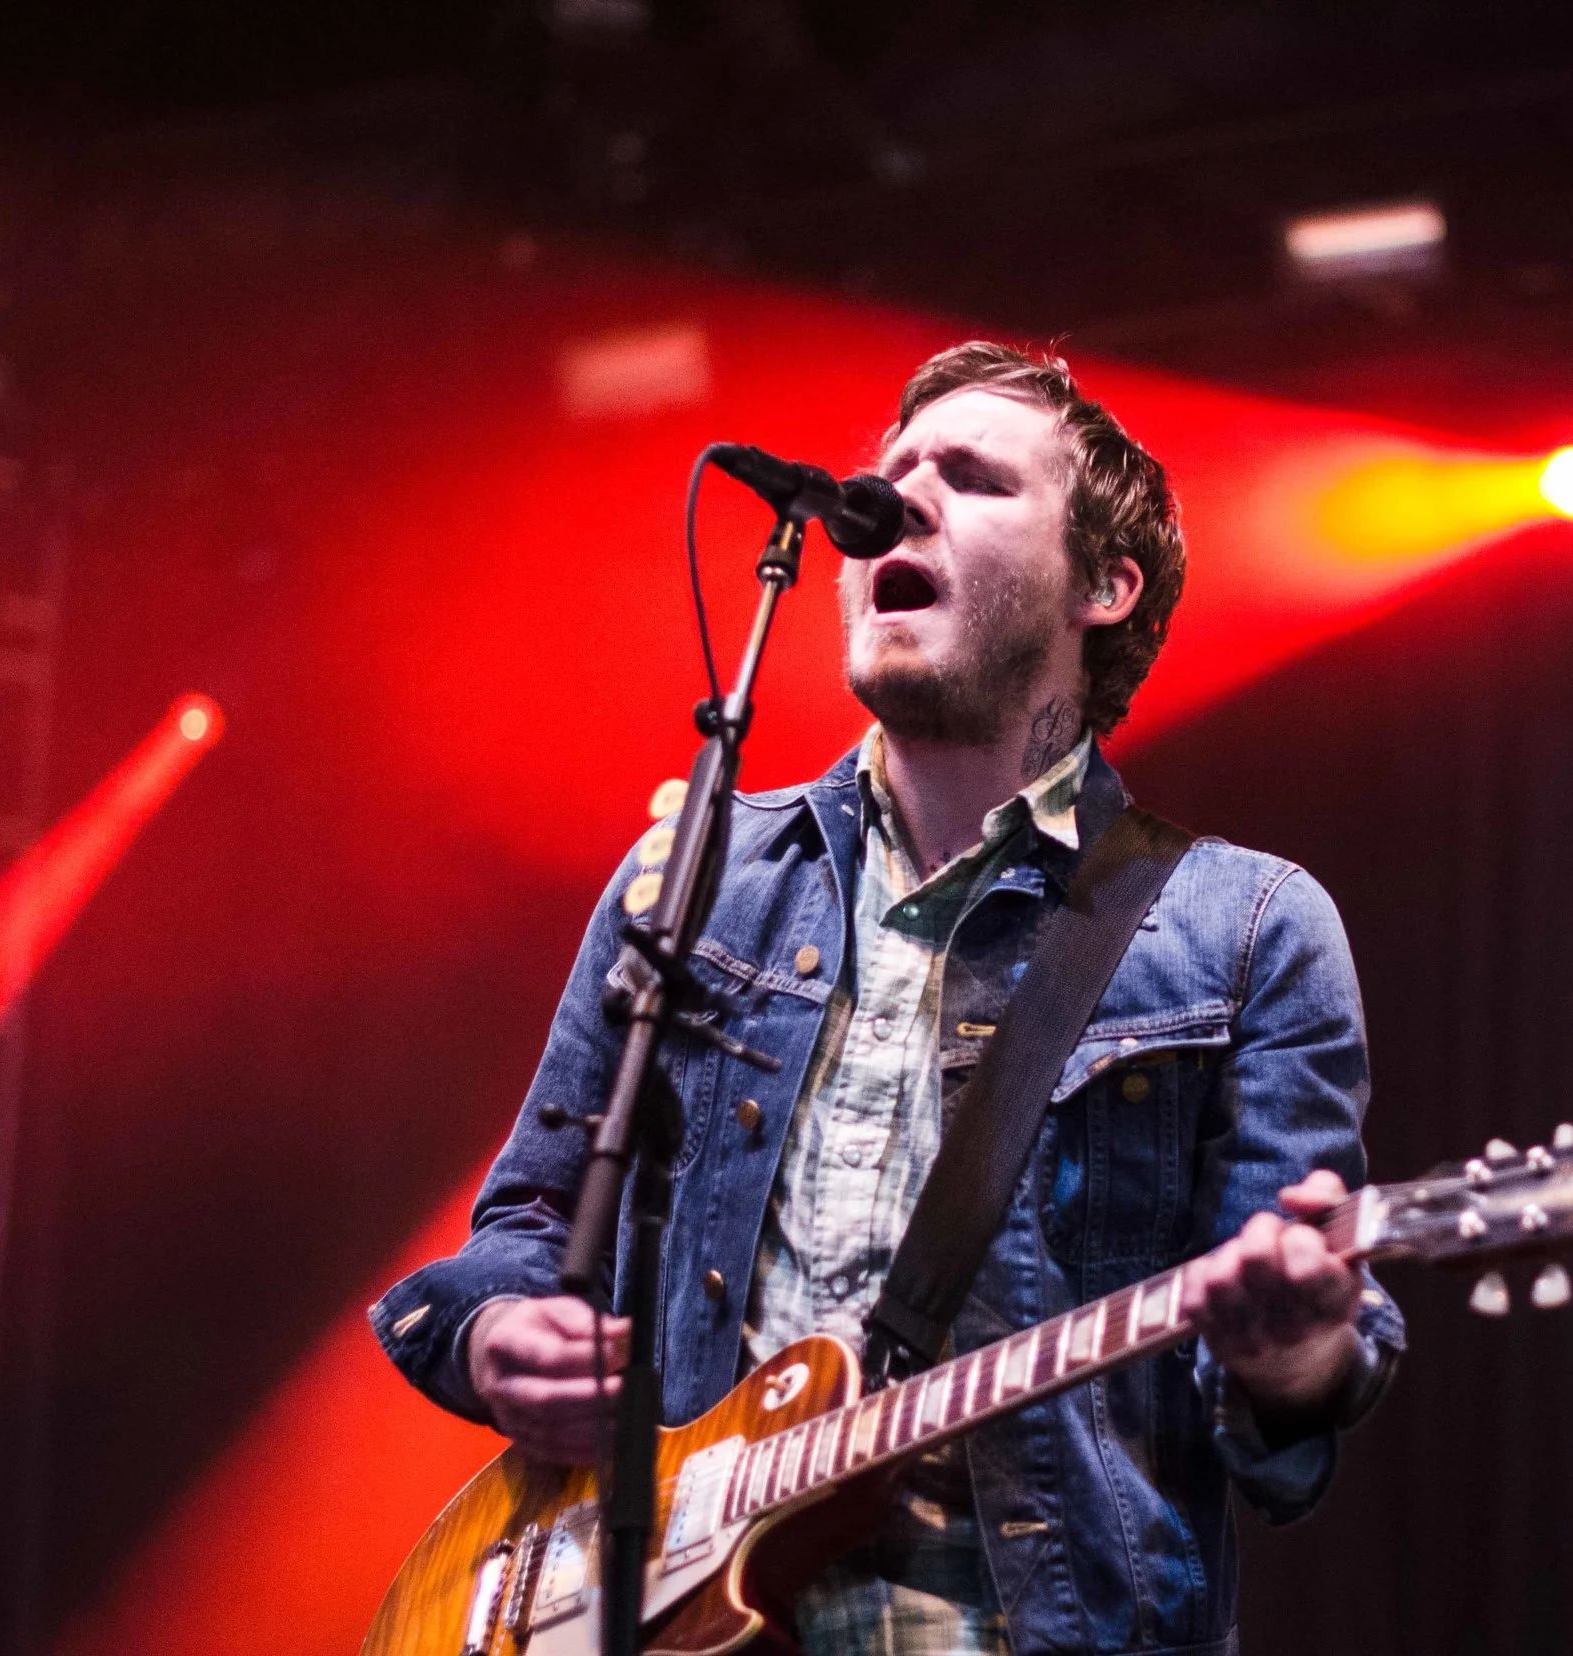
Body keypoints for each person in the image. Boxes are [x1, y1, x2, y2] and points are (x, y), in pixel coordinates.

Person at [372, 342, 1406, 1656]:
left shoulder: (1246, 929)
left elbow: (1288, 1361)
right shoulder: (696, 874)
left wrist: (1298, 1353)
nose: (900, 498)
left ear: (1104, 585)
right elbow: (531, 1219)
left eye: (971, 478)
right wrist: (500, 1332)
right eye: (893, 471)